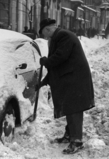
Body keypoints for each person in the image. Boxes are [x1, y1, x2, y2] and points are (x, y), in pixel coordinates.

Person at [36, 18, 95, 154]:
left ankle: (77, 141)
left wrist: (46, 61)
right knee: (70, 108)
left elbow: (60, 57)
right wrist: (43, 82)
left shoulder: (63, 36)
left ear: (48, 29)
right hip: (71, 78)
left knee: (74, 109)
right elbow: (57, 66)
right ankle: (70, 135)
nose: (45, 36)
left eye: (44, 33)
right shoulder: (59, 37)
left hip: (75, 79)